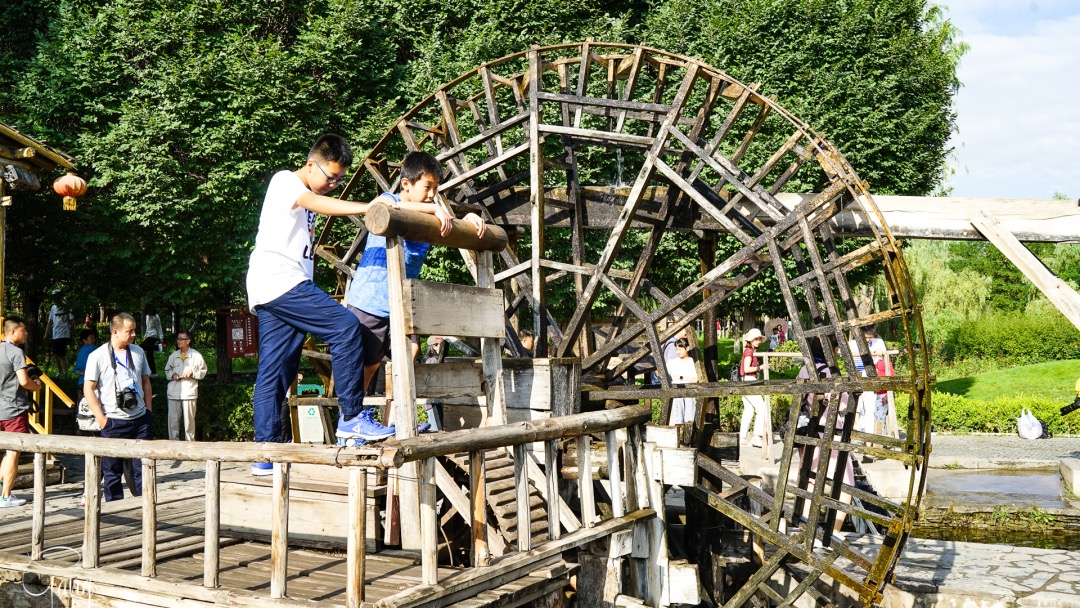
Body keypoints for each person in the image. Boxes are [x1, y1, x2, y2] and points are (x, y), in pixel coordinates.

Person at [247, 134, 394, 474]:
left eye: (340, 180)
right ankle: (352, 418)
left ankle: (264, 452)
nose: (333, 185)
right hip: (281, 281)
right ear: (311, 164)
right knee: (345, 326)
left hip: (271, 288)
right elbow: (314, 202)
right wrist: (368, 207)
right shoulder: (285, 180)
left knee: (276, 370)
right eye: (331, 177)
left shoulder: (307, 190)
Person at [344, 150, 486, 417]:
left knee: (410, 353)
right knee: (367, 366)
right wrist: (434, 208)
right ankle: (350, 421)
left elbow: (450, 224)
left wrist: (469, 220)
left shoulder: (432, 214)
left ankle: (393, 423)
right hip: (371, 301)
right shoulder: (389, 200)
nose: (432, 194)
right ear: (406, 184)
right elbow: (383, 206)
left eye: (436, 188)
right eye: (427, 187)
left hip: (401, 303)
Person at [83, 313, 154, 502]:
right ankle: (115, 510)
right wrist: (102, 419)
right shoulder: (97, 355)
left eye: (134, 331)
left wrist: (148, 409)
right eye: (129, 331)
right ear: (115, 331)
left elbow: (146, 381)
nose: (134, 335)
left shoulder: (138, 352)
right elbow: (88, 388)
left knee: (144, 468)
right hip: (113, 421)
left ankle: (145, 507)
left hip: (140, 419)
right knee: (112, 472)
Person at [0, 315, 41, 507]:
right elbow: (24, 381)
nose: (26, 334)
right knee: (13, 452)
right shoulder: (16, 352)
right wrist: (37, 386)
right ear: (13, 331)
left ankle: (3, 492)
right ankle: (5, 496)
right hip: (14, 410)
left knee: (8, 453)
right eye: (24, 330)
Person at [164, 330, 207, 441]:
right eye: (178, 339)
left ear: (188, 341)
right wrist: (172, 375)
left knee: (189, 423)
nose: (178, 341)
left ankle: (190, 445)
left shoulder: (196, 355)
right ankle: (173, 445)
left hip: (189, 393)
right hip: (173, 393)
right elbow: (167, 371)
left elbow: (203, 371)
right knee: (173, 423)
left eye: (181, 339)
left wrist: (193, 373)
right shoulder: (173, 356)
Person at [739, 328, 769, 447]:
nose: (758, 341)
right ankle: (757, 436)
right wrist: (760, 367)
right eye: (756, 339)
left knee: (749, 410)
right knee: (762, 408)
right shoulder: (749, 352)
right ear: (750, 340)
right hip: (749, 381)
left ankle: (742, 437)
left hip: (745, 381)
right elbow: (746, 369)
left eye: (759, 339)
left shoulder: (749, 351)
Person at [667, 338, 698, 425]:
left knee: (689, 417)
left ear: (687, 348)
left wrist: (681, 377)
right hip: (676, 392)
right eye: (677, 349)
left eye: (680, 349)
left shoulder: (691, 362)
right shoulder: (672, 362)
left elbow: (695, 379)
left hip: (688, 392)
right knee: (677, 415)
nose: (678, 352)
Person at [44, 292, 74, 376]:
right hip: (55, 334)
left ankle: (66, 373)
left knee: (61, 353)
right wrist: (46, 333)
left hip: (64, 333)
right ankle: (60, 371)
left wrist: (72, 333)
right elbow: (50, 321)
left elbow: (72, 321)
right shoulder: (53, 307)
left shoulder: (66, 307)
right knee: (55, 353)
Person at [141, 307, 164, 375]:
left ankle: (157, 347)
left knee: (141, 346)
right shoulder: (147, 316)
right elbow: (148, 327)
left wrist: (161, 337)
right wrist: (145, 335)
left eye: (150, 310)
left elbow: (159, 327)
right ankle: (153, 372)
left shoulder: (156, 317)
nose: (149, 311)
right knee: (149, 354)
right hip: (148, 335)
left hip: (154, 335)